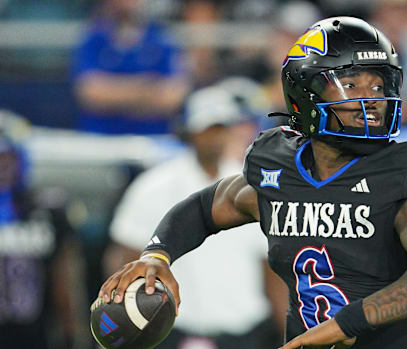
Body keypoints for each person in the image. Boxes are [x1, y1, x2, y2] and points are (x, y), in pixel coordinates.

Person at [98, 17, 407, 349]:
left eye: (379, 86)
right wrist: (157, 255)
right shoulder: (278, 166)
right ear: (306, 93)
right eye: (351, 85)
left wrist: (349, 323)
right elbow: (205, 208)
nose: (372, 99)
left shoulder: (403, 170)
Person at [103, 84, 286, 349]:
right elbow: (125, 258)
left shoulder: (251, 184)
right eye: (207, 128)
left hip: (244, 331)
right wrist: (122, 320)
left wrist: (287, 330)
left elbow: (270, 269)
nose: (214, 137)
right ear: (189, 131)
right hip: (173, 330)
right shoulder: (153, 186)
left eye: (221, 128)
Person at [0, 111, 88, 349]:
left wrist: (74, 335)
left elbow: (66, 281)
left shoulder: (47, 209)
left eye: (8, 159)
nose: (2, 168)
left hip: (34, 336)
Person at [72, 0, 190, 135]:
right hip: (101, 139)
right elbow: (89, 92)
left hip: (153, 140)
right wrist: (147, 88)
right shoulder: (93, 37)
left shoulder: (163, 38)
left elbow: (173, 96)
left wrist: (112, 92)